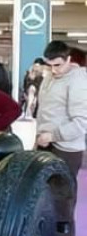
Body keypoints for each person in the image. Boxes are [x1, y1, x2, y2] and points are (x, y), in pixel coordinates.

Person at [35, 40, 87, 180]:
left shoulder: (78, 81)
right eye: (49, 65)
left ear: (68, 59)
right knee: (42, 194)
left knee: (61, 195)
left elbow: (82, 122)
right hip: (45, 144)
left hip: (66, 150)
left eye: (57, 65)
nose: (53, 70)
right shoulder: (50, 77)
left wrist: (52, 136)